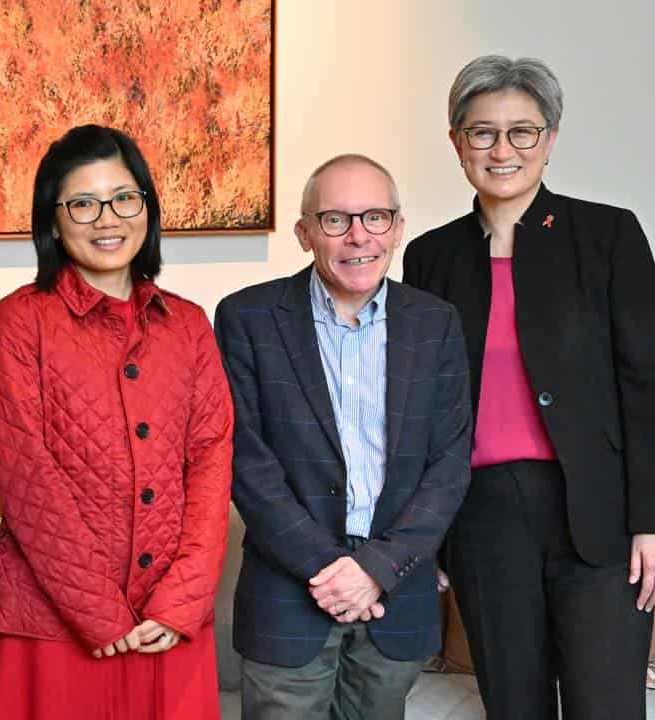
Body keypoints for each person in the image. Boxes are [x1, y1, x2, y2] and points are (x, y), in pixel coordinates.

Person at [402, 55, 655, 720]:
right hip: (484, 518)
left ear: (551, 139)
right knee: (513, 706)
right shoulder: (430, 257)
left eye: (522, 131)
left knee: (606, 705)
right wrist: (426, 533)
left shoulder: (608, 235)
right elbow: (420, 407)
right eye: (482, 132)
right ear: (456, 142)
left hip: (597, 512)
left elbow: (648, 383)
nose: (503, 150)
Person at [0, 124, 233, 720]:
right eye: (83, 204)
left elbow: (212, 464)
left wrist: (182, 600)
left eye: (124, 198)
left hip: (168, 623)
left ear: (146, 206)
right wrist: (98, 610)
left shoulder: (189, 325)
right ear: (54, 218)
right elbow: (25, 480)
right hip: (53, 621)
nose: (107, 218)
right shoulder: (20, 322)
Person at [215, 154, 472, 719]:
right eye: (335, 219)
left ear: (398, 228)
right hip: (289, 591)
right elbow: (245, 461)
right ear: (305, 232)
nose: (359, 236)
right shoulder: (247, 318)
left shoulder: (437, 323)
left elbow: (450, 464)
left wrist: (375, 570)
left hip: (396, 592)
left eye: (375, 217)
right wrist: (333, 572)